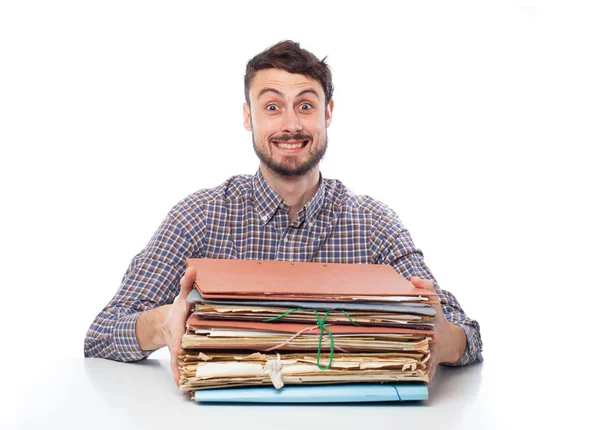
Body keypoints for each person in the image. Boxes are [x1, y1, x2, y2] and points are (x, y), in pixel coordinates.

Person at [84, 40, 483, 384]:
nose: (291, 125)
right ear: (248, 117)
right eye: (272, 106)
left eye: (306, 105)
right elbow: (101, 334)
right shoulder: (199, 217)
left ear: (328, 114)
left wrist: (443, 338)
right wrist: (164, 322)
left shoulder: (373, 224)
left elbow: (465, 334)